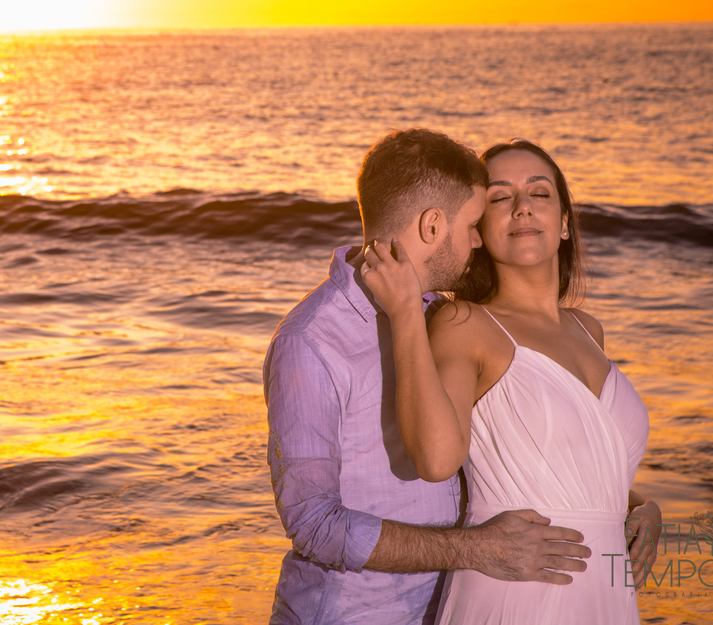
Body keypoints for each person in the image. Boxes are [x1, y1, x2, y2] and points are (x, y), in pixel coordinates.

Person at [264, 129, 593, 625]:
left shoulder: (443, 316)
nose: (480, 240)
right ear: (434, 225)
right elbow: (315, 526)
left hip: (448, 610)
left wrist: (626, 502)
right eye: (474, 224)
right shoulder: (311, 343)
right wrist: (475, 550)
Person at [359, 138, 661, 624]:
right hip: (518, 591)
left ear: (565, 222)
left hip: (605, 594)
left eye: (539, 193)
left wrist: (642, 506)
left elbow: (572, 460)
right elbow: (437, 459)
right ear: (479, 227)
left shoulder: (589, 330)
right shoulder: (464, 323)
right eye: (500, 197)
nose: (522, 207)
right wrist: (404, 312)